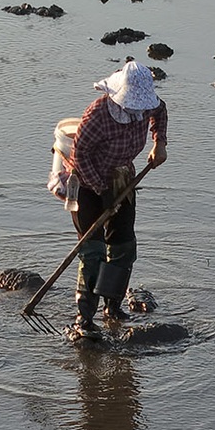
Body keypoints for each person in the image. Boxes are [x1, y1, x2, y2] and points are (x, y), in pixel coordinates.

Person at [63, 59, 168, 344]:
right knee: (93, 250)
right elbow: (81, 156)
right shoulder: (98, 114)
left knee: (122, 246)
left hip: (122, 178)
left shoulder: (148, 106)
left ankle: (112, 306)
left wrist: (160, 143)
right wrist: (101, 193)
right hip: (86, 182)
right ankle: (84, 318)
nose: (138, 111)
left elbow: (160, 111)